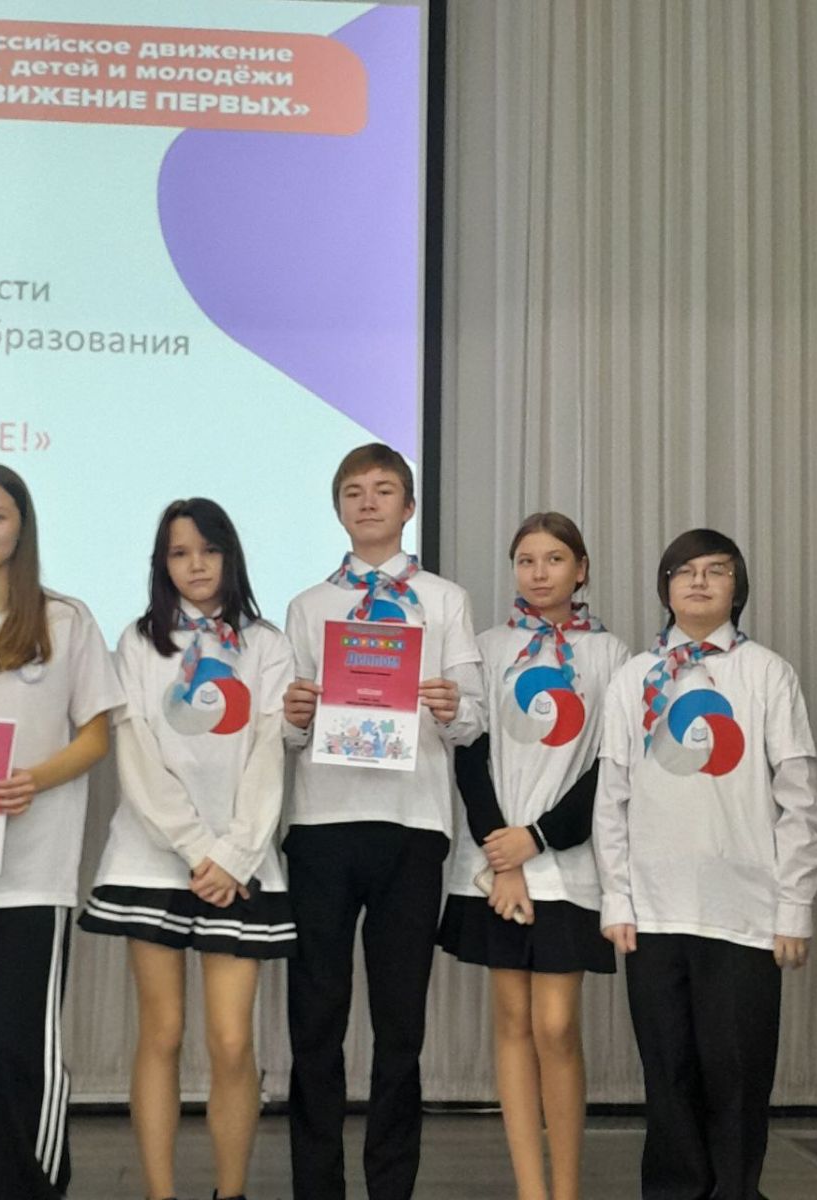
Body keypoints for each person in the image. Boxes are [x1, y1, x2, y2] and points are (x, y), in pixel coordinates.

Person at [593, 528, 817, 1200]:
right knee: (667, 1075)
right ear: (665, 588)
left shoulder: (768, 674)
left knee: (739, 1076)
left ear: (736, 588)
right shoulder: (634, 677)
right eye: (684, 571)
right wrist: (617, 899)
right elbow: (612, 799)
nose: (698, 582)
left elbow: (800, 800)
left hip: (746, 913)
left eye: (716, 570)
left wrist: (793, 906)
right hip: (653, 912)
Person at [282, 443, 485, 1200]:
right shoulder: (308, 606)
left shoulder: (445, 600)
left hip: (412, 825)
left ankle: (391, 1186)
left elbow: (473, 721)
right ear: (338, 508)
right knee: (316, 1021)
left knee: (401, 1027)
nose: (368, 502)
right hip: (322, 824)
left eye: (384, 489)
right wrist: (294, 716)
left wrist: (451, 707)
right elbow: (285, 732)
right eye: (353, 491)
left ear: (408, 506)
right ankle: (317, 1186)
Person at [80, 498, 296, 1200]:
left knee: (231, 1041)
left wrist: (231, 855)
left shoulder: (266, 645)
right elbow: (136, 755)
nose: (196, 565)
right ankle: (160, 1192)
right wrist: (197, 847)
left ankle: (231, 1192)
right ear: (161, 564)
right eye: (179, 553)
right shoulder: (138, 643)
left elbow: (269, 754)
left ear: (230, 556)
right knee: (162, 1032)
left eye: (208, 550)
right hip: (152, 860)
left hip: (241, 865)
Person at [0, 462, 123, 1200]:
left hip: (30, 878)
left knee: (18, 1053)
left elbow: (97, 735)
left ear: (23, 527)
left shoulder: (64, 620)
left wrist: (35, 779)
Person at [439, 512, 629, 1200]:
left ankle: (566, 1188)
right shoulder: (487, 648)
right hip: (496, 869)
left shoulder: (611, 654)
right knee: (514, 1023)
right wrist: (505, 856)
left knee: (556, 1026)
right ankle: (531, 1189)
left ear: (581, 569)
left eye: (554, 559)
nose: (539, 572)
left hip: (566, 867)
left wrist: (539, 839)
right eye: (526, 560)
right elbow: (470, 753)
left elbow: (611, 766)